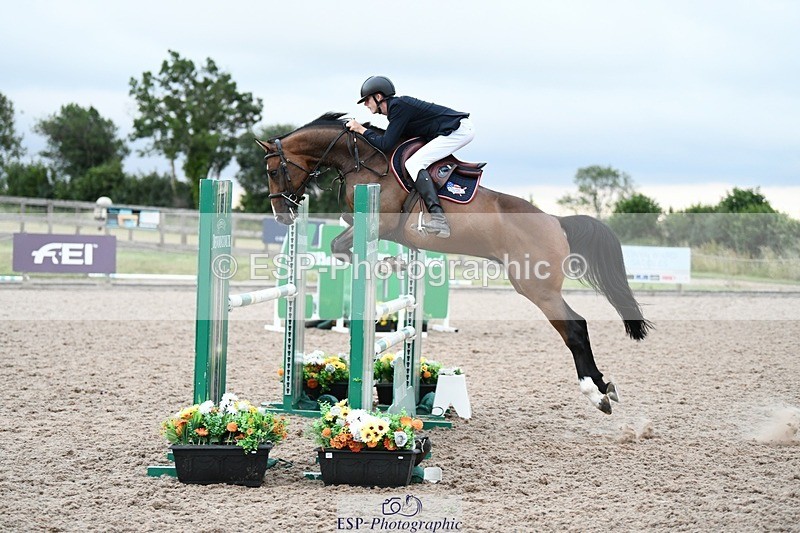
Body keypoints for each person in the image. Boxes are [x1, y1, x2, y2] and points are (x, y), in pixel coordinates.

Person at [346, 76, 474, 238]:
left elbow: (385, 144)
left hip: (457, 131)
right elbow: (393, 140)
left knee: (414, 163)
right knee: (414, 161)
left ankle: (439, 219)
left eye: (367, 99)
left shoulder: (398, 107)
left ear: (378, 97)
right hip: (450, 131)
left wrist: (361, 129)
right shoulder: (396, 110)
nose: (365, 104)